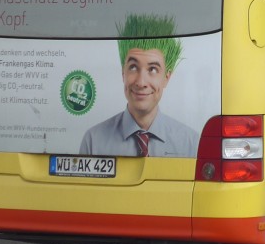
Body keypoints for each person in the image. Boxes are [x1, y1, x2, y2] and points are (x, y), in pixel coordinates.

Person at [79, 13, 198, 157]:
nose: (141, 82)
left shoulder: (190, 143)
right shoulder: (93, 141)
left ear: (166, 77)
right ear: (123, 73)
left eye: (153, 69)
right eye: (133, 67)